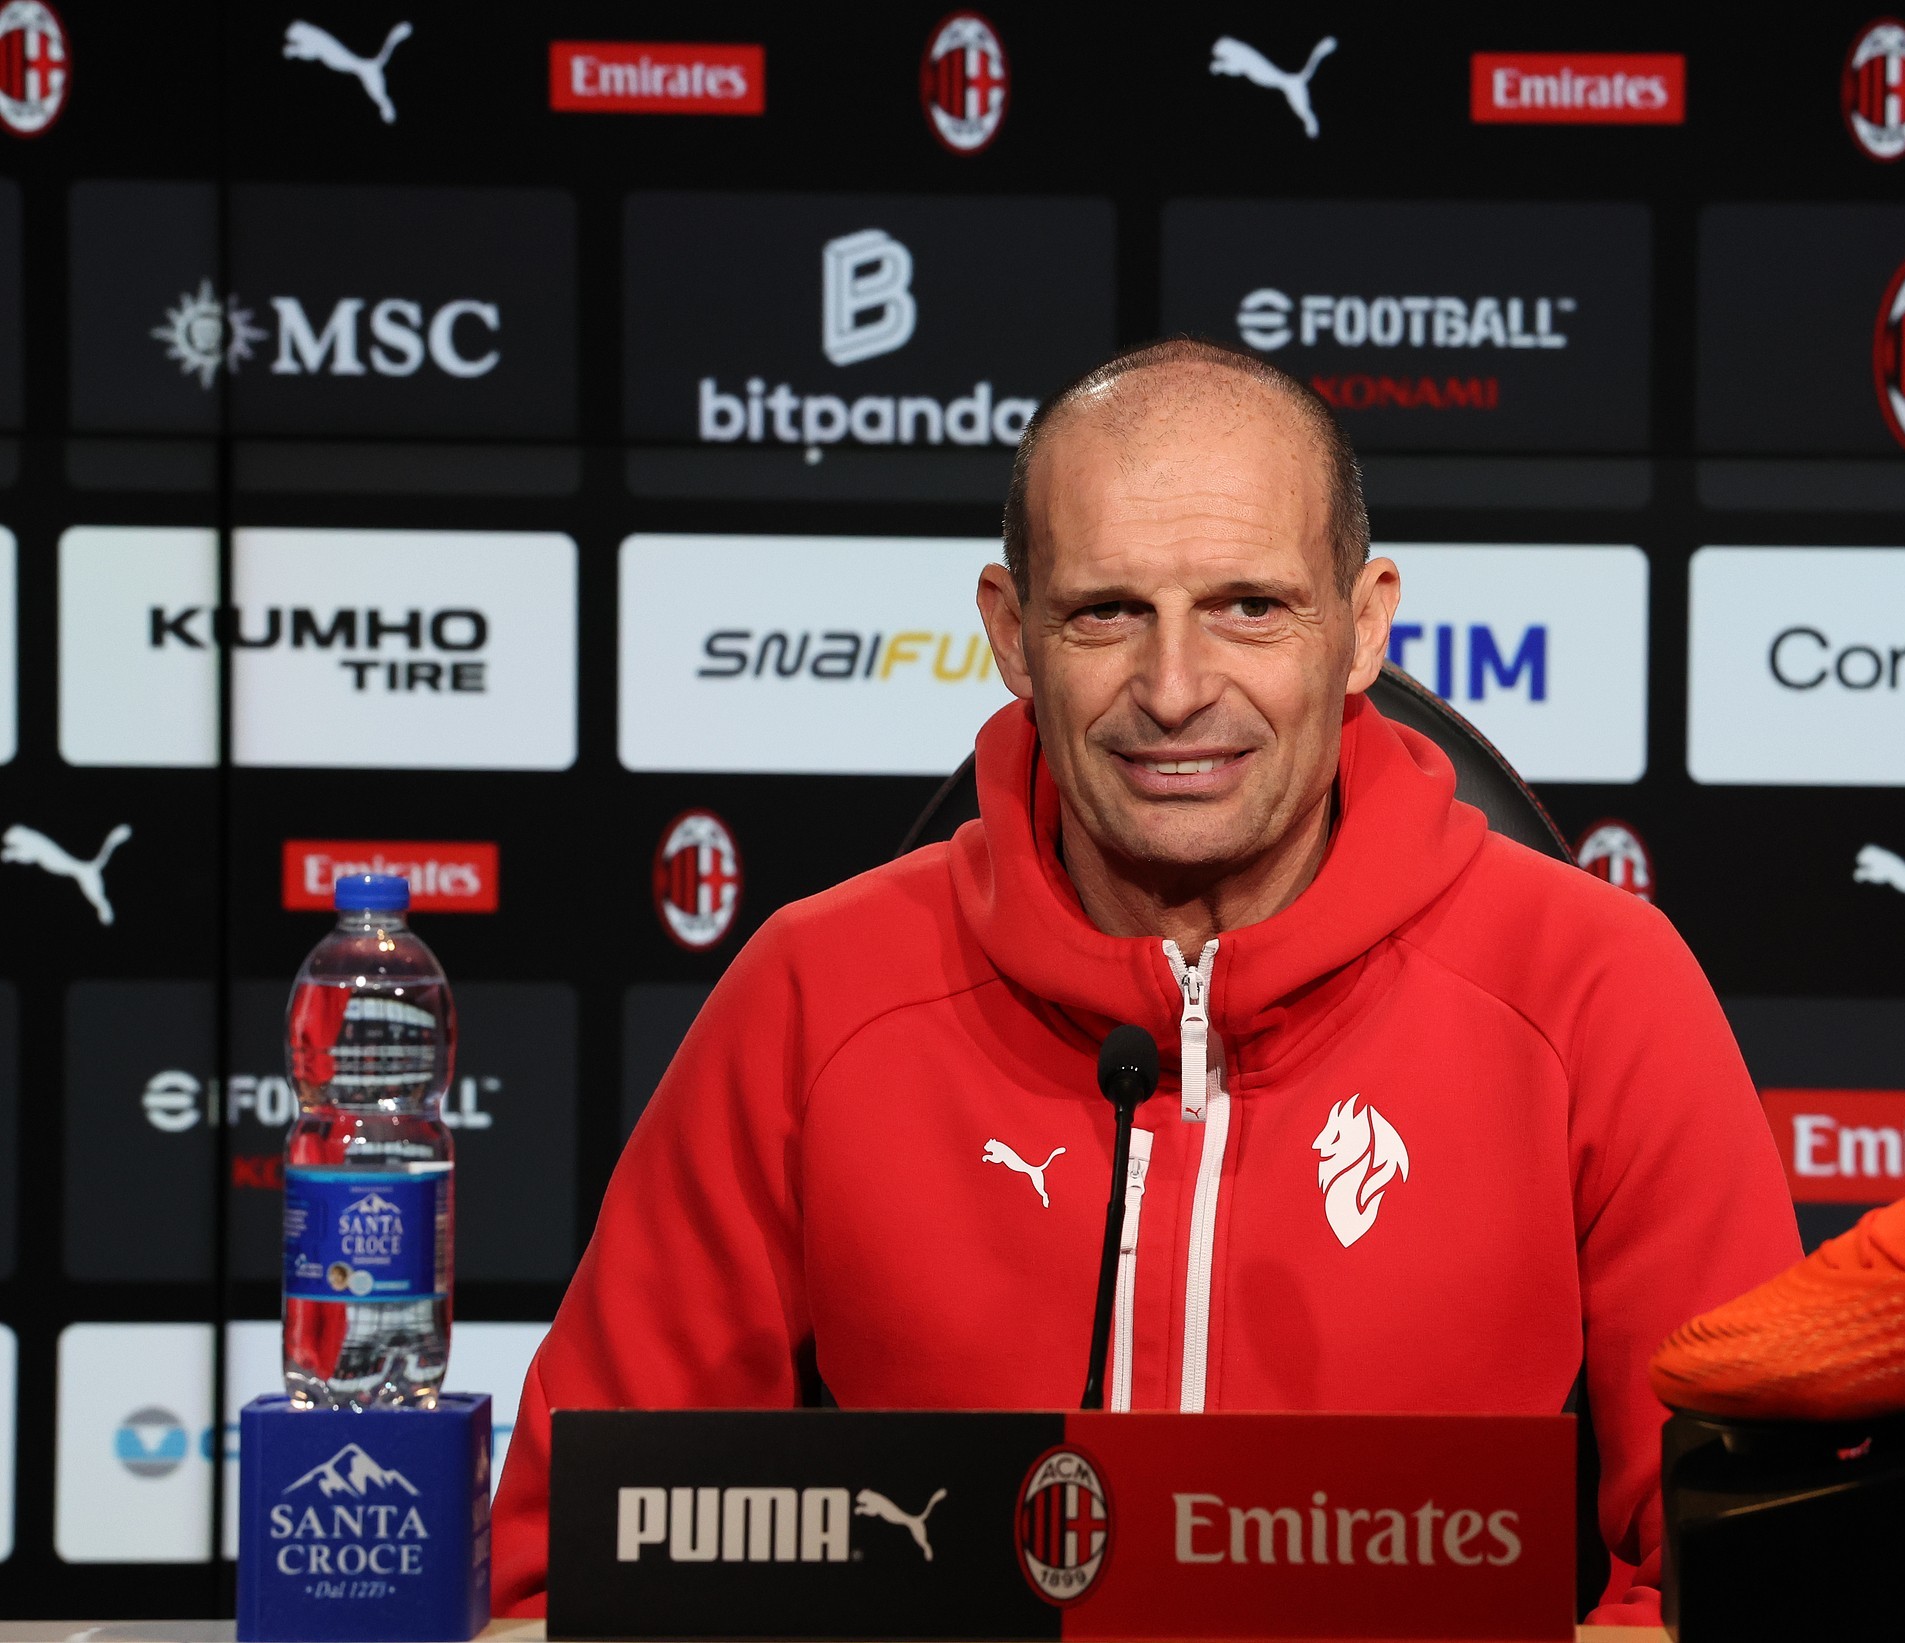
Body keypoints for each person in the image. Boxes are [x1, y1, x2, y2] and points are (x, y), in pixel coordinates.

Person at [489, 337, 1798, 1623]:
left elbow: (1741, 1575)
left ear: (1361, 627)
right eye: (1106, 612)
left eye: (1249, 607)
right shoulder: (813, 996)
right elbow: (573, 1572)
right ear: (1012, 634)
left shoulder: (1597, 991)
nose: (1174, 691)